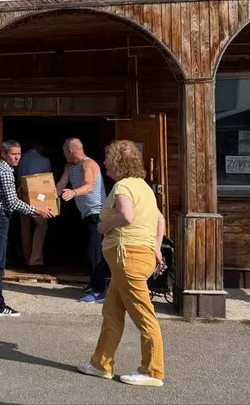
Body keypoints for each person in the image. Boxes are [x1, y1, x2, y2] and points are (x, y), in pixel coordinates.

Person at [77, 140, 166, 387]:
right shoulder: (144, 188)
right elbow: (160, 220)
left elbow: (127, 216)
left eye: (108, 158)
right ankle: (100, 364)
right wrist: (156, 248)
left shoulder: (123, 186)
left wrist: (104, 226)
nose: (104, 162)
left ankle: (153, 371)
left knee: (144, 315)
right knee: (112, 312)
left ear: (117, 161)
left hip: (128, 257)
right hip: (136, 256)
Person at [0, 140, 55, 326]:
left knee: (0, 264)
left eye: (19, 154)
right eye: (13, 154)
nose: (17, 157)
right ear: (3, 154)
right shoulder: (5, 171)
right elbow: (12, 202)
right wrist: (37, 210)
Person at [57, 137, 108, 303]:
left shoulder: (88, 164)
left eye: (64, 150)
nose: (63, 153)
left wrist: (74, 192)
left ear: (70, 151)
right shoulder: (70, 166)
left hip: (97, 214)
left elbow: (89, 185)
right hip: (86, 214)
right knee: (89, 250)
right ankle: (94, 283)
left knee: (95, 252)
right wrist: (45, 199)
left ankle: (99, 291)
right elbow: (60, 185)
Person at [17, 143, 53, 271]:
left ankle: (27, 257)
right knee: (41, 225)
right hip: (38, 194)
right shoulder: (44, 160)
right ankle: (35, 260)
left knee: (25, 226)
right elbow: (46, 181)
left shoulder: (20, 158)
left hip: (21, 192)